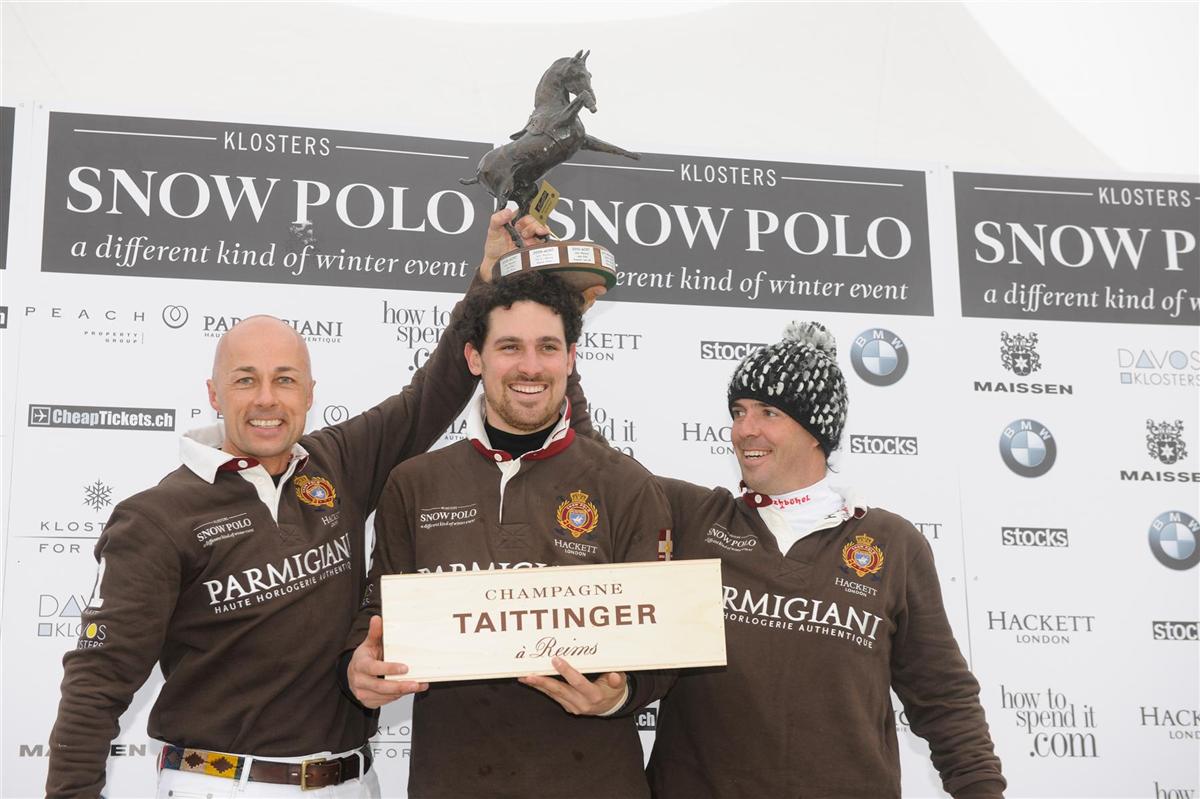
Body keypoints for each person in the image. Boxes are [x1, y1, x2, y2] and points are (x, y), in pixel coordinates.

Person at [44, 209, 545, 799]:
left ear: (309, 393)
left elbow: (432, 394)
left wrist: (487, 278)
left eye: (285, 380)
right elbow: (98, 681)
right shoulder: (156, 517)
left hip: (353, 782)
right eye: (245, 380)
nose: (266, 399)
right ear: (213, 394)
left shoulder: (337, 463)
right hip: (223, 785)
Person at [526, 321, 1007, 799]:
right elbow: (597, 465)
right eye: (738, 411)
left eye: (768, 412)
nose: (744, 429)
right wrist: (560, 334)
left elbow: (944, 700)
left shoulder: (892, 543)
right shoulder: (693, 517)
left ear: (816, 431)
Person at [343, 267, 673, 798]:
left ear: (571, 358)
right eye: (510, 347)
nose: (531, 366)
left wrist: (619, 694)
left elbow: (667, 637)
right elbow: (378, 614)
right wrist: (358, 666)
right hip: (452, 783)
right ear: (475, 358)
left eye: (548, 347)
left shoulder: (626, 484)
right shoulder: (414, 483)